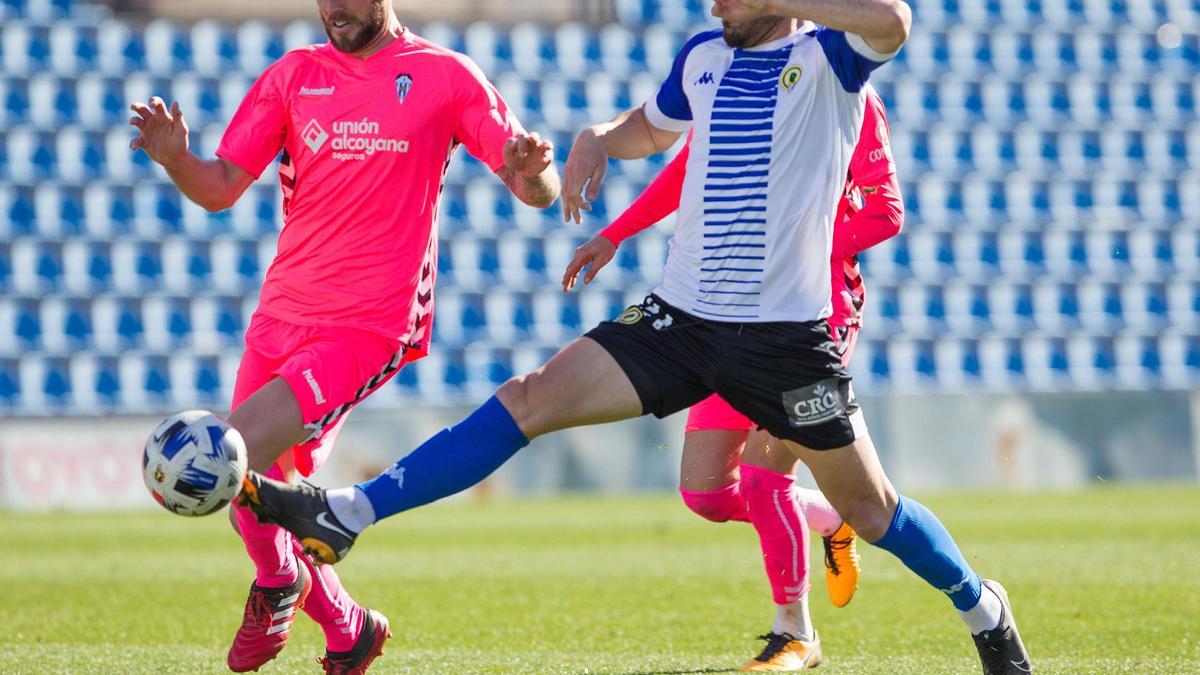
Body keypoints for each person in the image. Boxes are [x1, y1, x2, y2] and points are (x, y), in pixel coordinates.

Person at [240, 1, 1033, 672]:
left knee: (870, 508)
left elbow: (895, 21)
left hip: (785, 341)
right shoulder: (702, 57)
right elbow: (651, 131)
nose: (710, 2)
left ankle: (981, 603)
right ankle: (350, 510)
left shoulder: (830, 57)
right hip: (679, 321)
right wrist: (594, 138)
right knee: (532, 396)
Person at [127, 0, 560, 671]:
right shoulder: (293, 76)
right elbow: (218, 188)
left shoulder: (445, 76)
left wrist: (532, 170)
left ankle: (278, 584)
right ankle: (347, 624)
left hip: (369, 323)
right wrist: (176, 158)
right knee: (257, 485)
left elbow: (539, 188)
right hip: (280, 314)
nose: (335, 7)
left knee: (237, 451)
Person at [558, 81, 901, 670]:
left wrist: (794, 250)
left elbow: (885, 211)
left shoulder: (847, 93)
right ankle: (829, 517)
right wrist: (614, 234)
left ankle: (794, 633)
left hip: (809, 317)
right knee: (707, 494)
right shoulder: (735, 86)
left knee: (767, 476)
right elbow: (684, 175)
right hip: (726, 310)